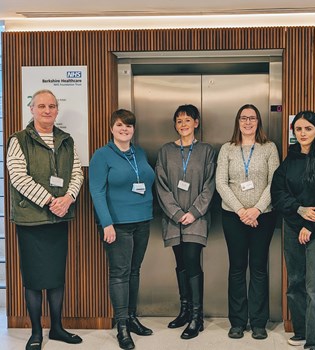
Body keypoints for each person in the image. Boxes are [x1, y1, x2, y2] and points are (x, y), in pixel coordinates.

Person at [6, 89, 84, 350]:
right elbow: (18, 177)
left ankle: (58, 328)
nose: (47, 110)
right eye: (42, 106)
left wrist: (69, 197)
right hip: (32, 220)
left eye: (51, 106)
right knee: (34, 279)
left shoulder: (66, 140)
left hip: (58, 220)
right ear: (32, 109)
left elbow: (77, 173)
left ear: (56, 110)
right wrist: (51, 201)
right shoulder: (18, 139)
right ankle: (36, 332)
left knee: (55, 277)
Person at [271, 111, 315, 350]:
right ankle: (301, 331)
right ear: (294, 132)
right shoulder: (290, 158)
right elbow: (278, 192)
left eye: (308, 129)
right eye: (299, 129)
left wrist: (310, 225)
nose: (303, 133)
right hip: (292, 226)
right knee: (295, 282)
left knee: (313, 285)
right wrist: (299, 210)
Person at [89, 109, 155, 350]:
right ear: (111, 128)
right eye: (119, 125)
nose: (124, 129)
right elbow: (96, 191)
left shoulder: (139, 153)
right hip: (117, 225)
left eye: (128, 126)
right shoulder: (102, 155)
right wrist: (106, 223)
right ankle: (122, 327)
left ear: (133, 129)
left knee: (134, 271)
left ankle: (132, 317)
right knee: (119, 273)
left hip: (143, 221)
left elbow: (147, 182)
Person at [215, 104, 280, 340]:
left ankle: (259, 322)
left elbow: (275, 183)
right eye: (243, 118)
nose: (248, 122)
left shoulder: (269, 148)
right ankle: (238, 322)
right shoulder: (227, 149)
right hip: (233, 216)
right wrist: (242, 211)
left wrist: (257, 210)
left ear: (259, 121)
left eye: (252, 118)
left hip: (264, 216)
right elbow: (221, 183)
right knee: (237, 268)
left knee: (260, 268)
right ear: (238, 122)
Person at [155, 104, 216, 340]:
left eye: (187, 120)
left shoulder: (206, 151)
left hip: (196, 218)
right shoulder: (165, 151)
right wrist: (176, 213)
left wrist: (194, 212)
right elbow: (161, 185)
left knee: (192, 261)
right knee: (180, 262)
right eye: (179, 121)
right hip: (173, 219)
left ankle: (197, 317)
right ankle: (185, 310)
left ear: (196, 123)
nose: (183, 124)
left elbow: (209, 185)